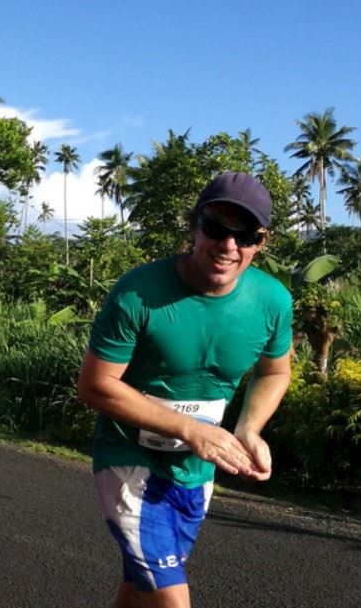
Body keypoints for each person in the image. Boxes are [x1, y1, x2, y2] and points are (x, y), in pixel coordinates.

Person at [76, 172, 294, 608]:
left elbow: (274, 373)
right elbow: (95, 385)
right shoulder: (139, 292)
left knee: (141, 588)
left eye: (245, 235)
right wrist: (190, 428)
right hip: (129, 462)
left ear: (262, 242)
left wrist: (249, 428)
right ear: (194, 226)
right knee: (171, 598)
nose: (228, 245)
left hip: (196, 471)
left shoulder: (272, 301)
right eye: (216, 228)